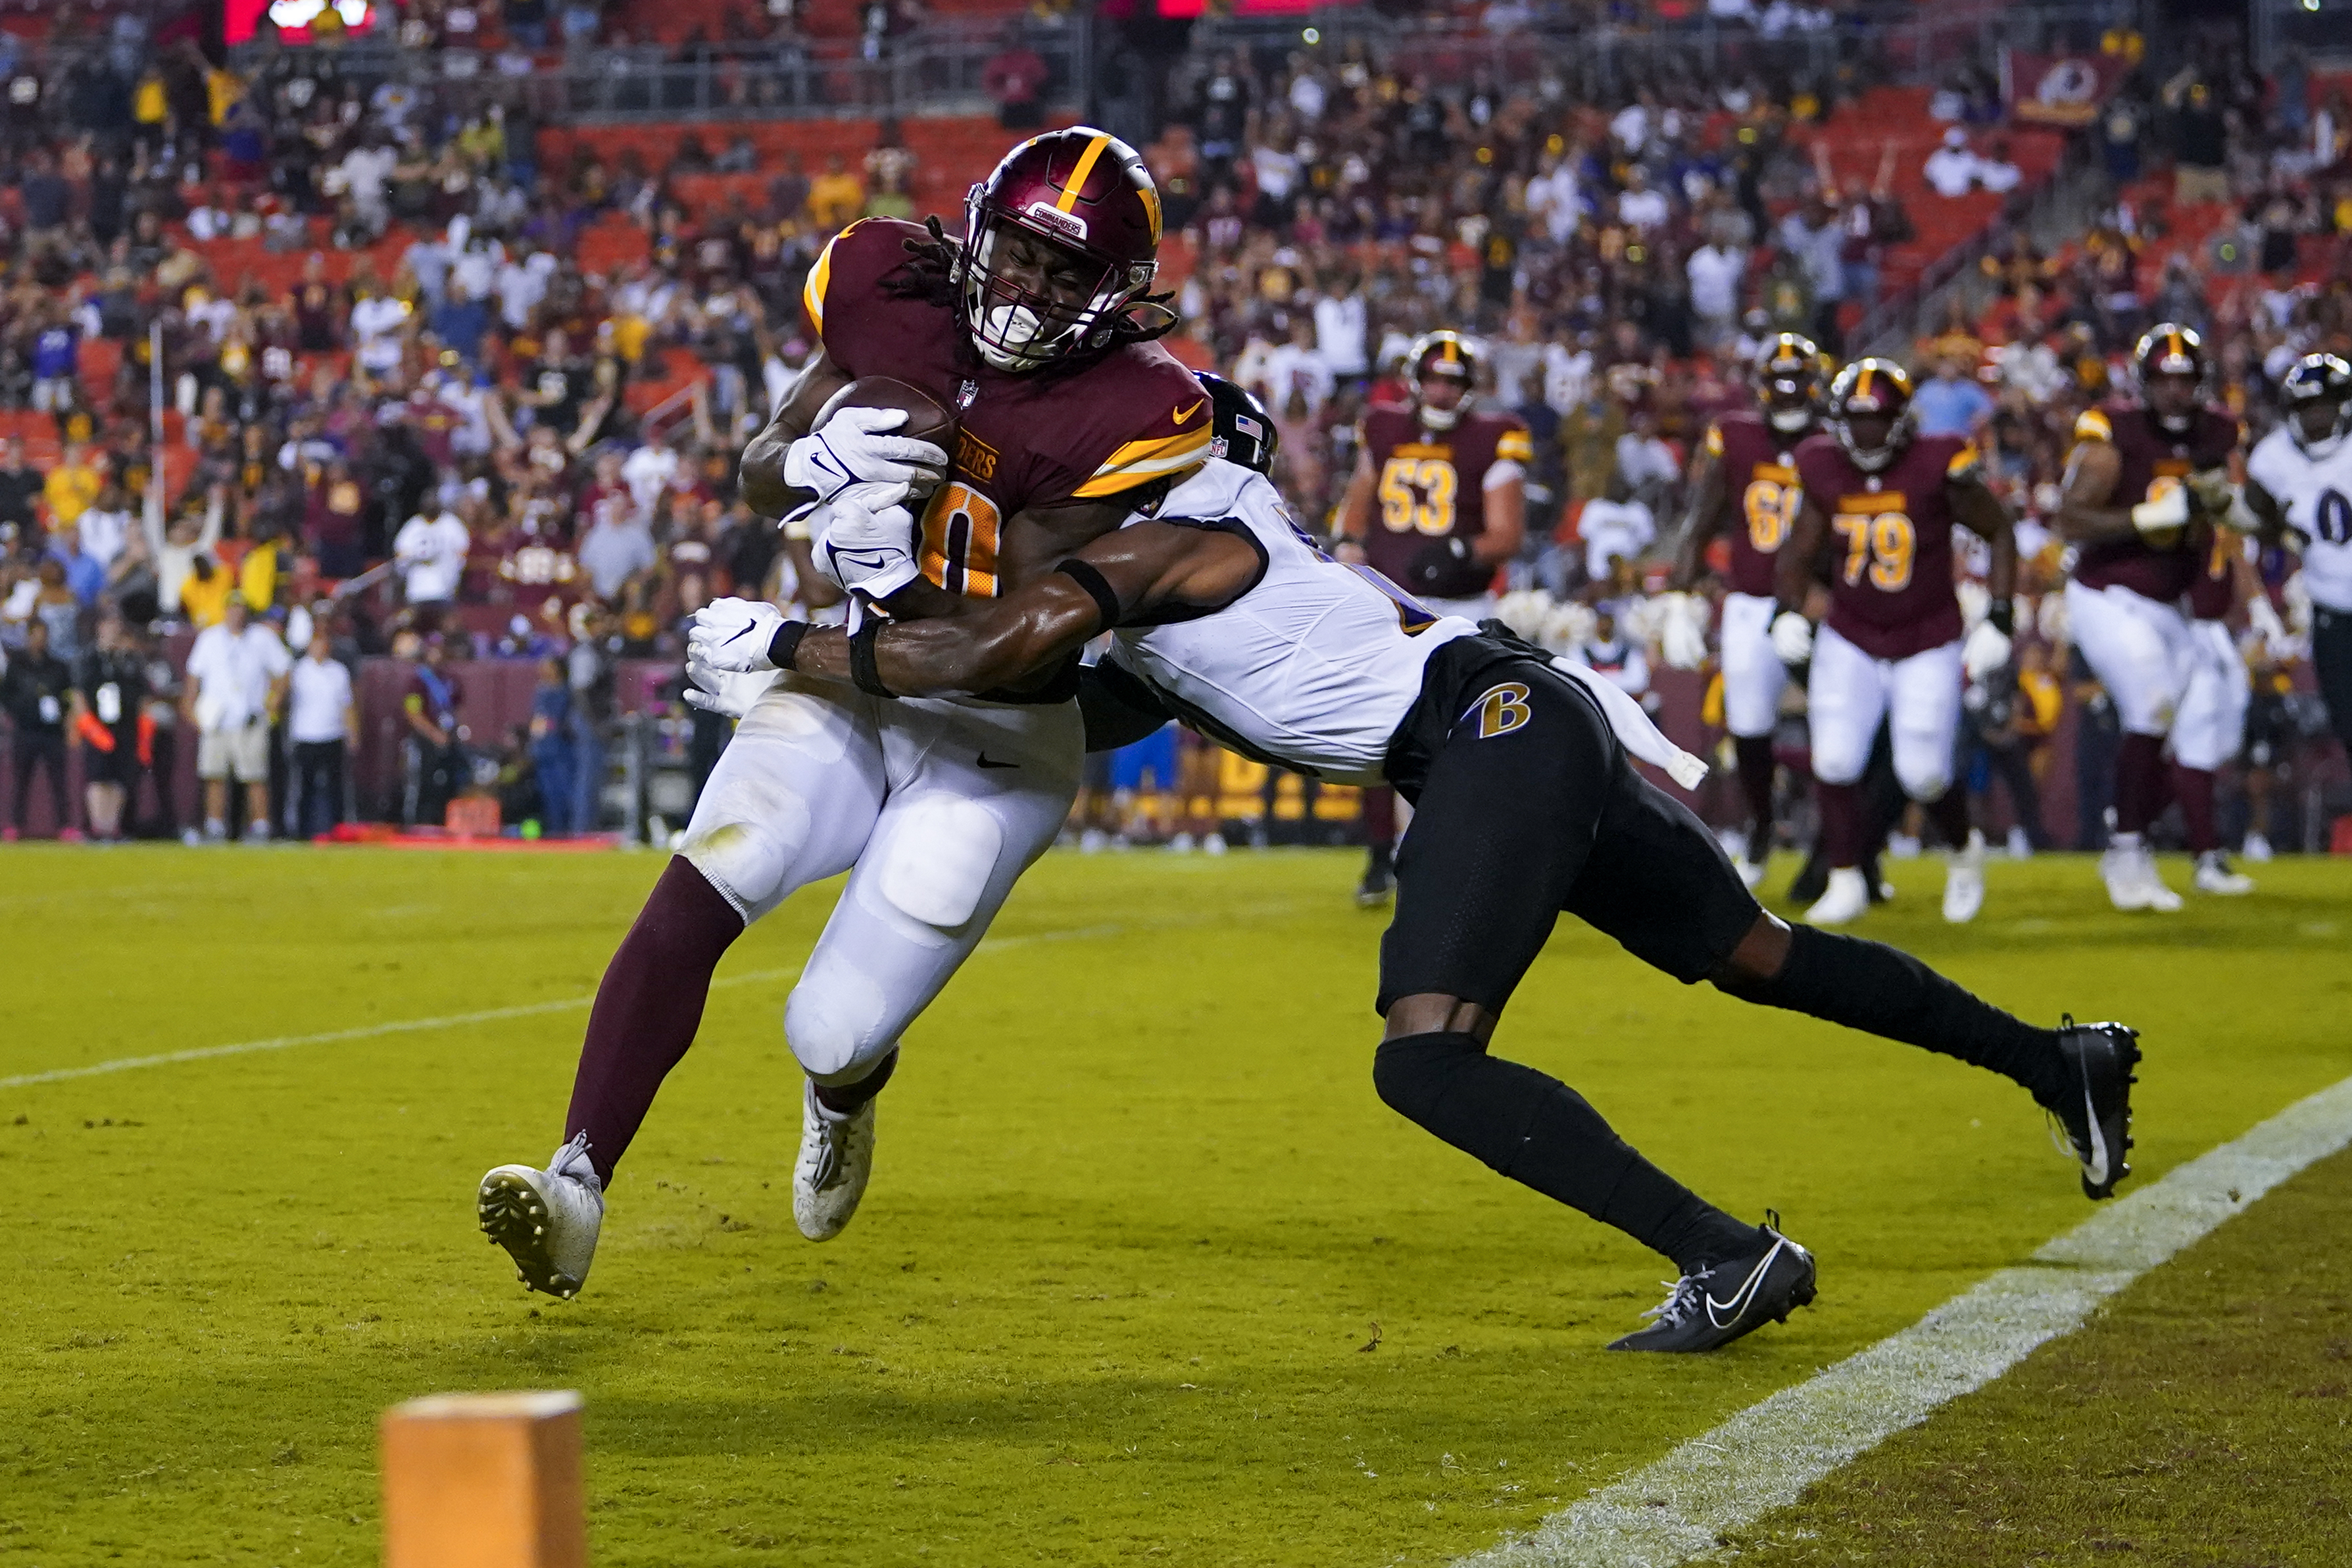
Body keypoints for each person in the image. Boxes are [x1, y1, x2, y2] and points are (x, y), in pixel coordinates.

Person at [695, 376, 2142, 1352]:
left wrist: (798, 644)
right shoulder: (1165, 581)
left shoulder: (1172, 545)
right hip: (1513, 719)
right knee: (1754, 955)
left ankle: (1724, 1254)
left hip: (1490, 731)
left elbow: (1003, 646)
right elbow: (1043, 694)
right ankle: (2052, 1059)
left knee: (1426, 1059)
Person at [476, 130, 1211, 1302]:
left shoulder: (1128, 414)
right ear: (976, 229)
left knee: (829, 1027)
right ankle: (576, 1179)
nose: (1025, 291)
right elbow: (763, 465)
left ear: (1114, 296)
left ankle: (847, 1092)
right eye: (1016, 253)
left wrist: (833, 617)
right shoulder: (888, 287)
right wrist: (813, 453)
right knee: (719, 868)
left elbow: (1006, 653)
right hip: (847, 683)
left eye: (1064, 275)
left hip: (994, 735)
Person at [1770, 360, 2015, 927]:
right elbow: (1801, 547)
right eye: (1854, 420)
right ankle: (1846, 878)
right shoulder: (1822, 466)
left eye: (1877, 419)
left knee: (1923, 772)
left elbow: (1998, 531)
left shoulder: (1939, 462)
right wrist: (1785, 612)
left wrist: (2000, 617)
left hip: (1927, 634)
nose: (1865, 433)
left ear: (1902, 420)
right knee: (1833, 758)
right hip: (1851, 631)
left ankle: (1962, 849)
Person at [1334, 331, 1532, 907]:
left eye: (1455, 381)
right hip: (1390, 602)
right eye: (1436, 379)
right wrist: (1348, 539)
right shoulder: (1382, 424)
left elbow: (1507, 535)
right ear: (1416, 380)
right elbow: (1363, 489)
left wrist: (1459, 553)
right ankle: (1379, 852)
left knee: (1464, 738)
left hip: (1461, 608)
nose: (1444, 391)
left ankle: (1462, 853)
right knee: (1374, 726)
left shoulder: (1496, 435)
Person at [2055, 326, 2243, 913]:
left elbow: (2217, 503)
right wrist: (2144, 517)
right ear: (2143, 384)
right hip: (2109, 594)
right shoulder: (2113, 433)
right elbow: (2070, 519)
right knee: (2153, 703)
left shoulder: (2217, 432)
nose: (2175, 393)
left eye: (2185, 381)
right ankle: (2129, 848)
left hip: (2172, 605)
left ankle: (2133, 831)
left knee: (2188, 730)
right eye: (2164, 380)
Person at [1666, 333, 1830, 888]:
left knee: (1839, 728)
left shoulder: (1834, 440)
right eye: (1778, 388)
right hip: (1750, 600)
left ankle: (1845, 850)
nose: (1788, 399)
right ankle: (1761, 826)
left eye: (1797, 387)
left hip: (1820, 603)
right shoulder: (1734, 436)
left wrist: (1815, 606)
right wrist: (1680, 600)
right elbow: (1701, 519)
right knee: (1749, 725)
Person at [2245, 354, 2352, 760]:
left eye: (2324, 406)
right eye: (2306, 408)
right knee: (2348, 726)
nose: (2317, 419)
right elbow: (2254, 522)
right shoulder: (2273, 460)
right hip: (2331, 608)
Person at [184, 593, 293, 843]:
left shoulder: (263, 638)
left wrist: (275, 698)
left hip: (250, 718)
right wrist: (191, 707)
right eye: (233, 608)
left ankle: (260, 826)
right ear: (225, 611)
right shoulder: (210, 639)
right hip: (217, 719)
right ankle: (214, 826)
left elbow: (283, 670)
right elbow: (194, 676)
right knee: (214, 775)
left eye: (241, 609)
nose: (237, 614)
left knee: (255, 776)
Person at [68, 614, 147, 842]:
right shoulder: (89, 658)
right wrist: (88, 726)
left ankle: (112, 826)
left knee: (120, 777)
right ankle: (98, 825)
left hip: (124, 724)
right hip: (98, 726)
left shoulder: (129, 659)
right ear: (100, 628)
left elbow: (140, 693)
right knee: (99, 776)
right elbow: (79, 692)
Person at [1, 620, 76, 840]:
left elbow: (68, 696)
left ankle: (65, 825)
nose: (40, 639)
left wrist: (62, 715)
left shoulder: (57, 666)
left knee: (59, 781)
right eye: (36, 634)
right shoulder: (17, 665)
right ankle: (15, 824)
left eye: (44, 634)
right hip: (26, 730)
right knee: (21, 780)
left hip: (52, 732)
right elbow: (6, 695)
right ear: (28, 636)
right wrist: (23, 712)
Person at [287, 629, 357, 839]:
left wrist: (352, 732)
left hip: (332, 735)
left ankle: (337, 829)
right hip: (305, 736)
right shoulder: (298, 671)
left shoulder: (338, 671)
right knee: (304, 787)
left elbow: (347, 705)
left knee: (336, 787)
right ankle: (302, 831)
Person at [401, 635, 467, 827]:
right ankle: (416, 825)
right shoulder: (418, 681)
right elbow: (413, 713)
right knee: (423, 784)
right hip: (425, 741)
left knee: (447, 784)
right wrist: (434, 734)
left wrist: (455, 732)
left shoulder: (451, 680)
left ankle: (442, 824)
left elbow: (456, 709)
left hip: (448, 739)